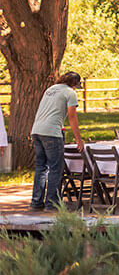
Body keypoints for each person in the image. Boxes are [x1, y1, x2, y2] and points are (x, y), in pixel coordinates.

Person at [30, 72, 84, 211]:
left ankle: (36, 202)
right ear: (74, 83)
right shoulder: (69, 92)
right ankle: (52, 203)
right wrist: (79, 139)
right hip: (52, 133)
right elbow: (72, 117)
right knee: (55, 168)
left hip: (37, 130)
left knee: (41, 167)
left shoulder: (50, 89)